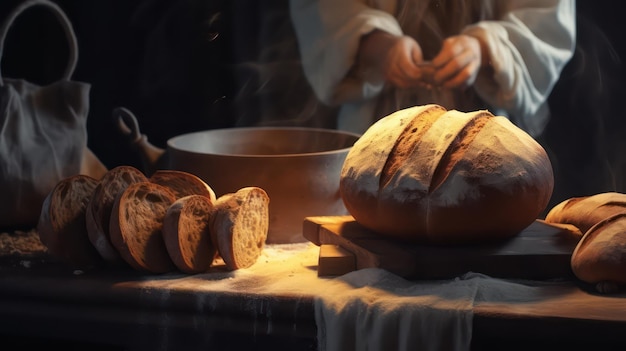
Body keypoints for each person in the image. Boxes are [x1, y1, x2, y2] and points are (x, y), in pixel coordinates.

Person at [288, 0, 576, 137]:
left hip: (490, 125)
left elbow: (546, 18)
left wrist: (486, 49)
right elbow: (321, 9)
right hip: (373, 125)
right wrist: (375, 44)